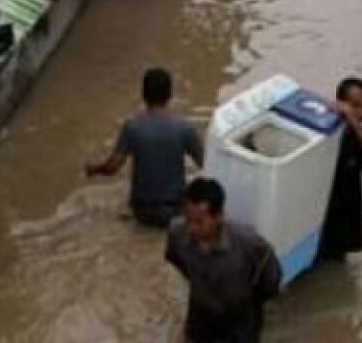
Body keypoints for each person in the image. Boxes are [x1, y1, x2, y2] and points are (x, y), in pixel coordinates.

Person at [166, 178, 282, 343]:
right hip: (201, 315)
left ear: (219, 216)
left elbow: (270, 282)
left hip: (240, 321)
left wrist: (247, 300)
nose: (191, 228)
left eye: (199, 222)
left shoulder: (250, 245)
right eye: (188, 220)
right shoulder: (177, 233)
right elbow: (176, 260)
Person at [85, 67, 203, 227]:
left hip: (142, 212)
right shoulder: (184, 128)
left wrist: (93, 169)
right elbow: (206, 163)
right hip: (176, 210)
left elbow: (112, 167)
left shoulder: (132, 127)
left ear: (143, 95)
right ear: (170, 95)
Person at [318, 77, 362, 261]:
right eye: (354, 106)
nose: (361, 112)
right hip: (316, 222)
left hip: (341, 228)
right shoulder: (320, 134)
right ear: (339, 103)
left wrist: (354, 124)